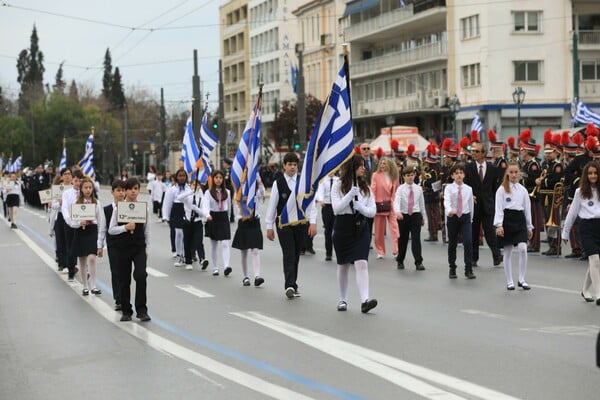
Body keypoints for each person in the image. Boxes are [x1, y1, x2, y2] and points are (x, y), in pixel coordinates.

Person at [265, 152, 317, 299]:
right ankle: (289, 284)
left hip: (300, 223)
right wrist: (269, 226)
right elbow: (272, 205)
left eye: (295, 165)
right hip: (284, 224)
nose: (292, 167)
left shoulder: (303, 182)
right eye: (289, 165)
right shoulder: (278, 183)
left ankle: (293, 284)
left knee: (295, 254)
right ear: (284, 166)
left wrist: (313, 222)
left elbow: (310, 205)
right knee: (288, 253)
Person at [331, 154, 378, 313]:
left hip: (360, 226)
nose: (364, 168)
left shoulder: (366, 187)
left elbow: (372, 211)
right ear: (352, 167)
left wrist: (361, 208)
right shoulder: (337, 185)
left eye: (364, 165)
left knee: (361, 263)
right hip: (343, 226)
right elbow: (336, 209)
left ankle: (365, 300)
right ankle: (342, 299)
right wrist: (350, 195)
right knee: (343, 264)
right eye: (360, 165)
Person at [108, 177, 151, 322]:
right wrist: (125, 227)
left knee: (141, 275)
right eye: (130, 189)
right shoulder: (118, 209)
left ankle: (142, 310)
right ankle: (126, 310)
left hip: (138, 247)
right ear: (125, 191)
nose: (133, 191)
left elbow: (147, 230)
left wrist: (147, 249)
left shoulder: (144, 208)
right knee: (124, 280)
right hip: (123, 247)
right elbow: (111, 230)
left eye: (136, 189)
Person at [562, 161, 600, 305]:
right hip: (586, 228)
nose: (593, 176)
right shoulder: (580, 192)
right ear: (586, 175)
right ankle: (599, 293)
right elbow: (572, 213)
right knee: (595, 260)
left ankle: (585, 290)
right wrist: (565, 233)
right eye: (590, 173)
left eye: (595, 173)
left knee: (594, 263)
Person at [494, 162, 533, 291]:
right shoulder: (501, 190)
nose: (514, 175)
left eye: (516, 172)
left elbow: (527, 209)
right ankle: (509, 281)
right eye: (511, 172)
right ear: (507, 174)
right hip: (507, 220)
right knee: (508, 251)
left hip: (520, 219)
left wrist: (529, 226)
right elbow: (499, 209)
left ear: (519, 173)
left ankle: (522, 279)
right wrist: (499, 225)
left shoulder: (523, 190)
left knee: (523, 248)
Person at [464, 141, 502, 267]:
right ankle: (474, 258)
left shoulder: (492, 168)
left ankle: (496, 255)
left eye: (476, 151)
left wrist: (494, 202)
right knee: (474, 232)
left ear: (484, 153)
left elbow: (495, 187)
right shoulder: (468, 167)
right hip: (474, 205)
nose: (473, 153)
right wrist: (470, 196)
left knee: (490, 231)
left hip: (488, 204)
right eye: (472, 151)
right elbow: (465, 185)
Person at [69, 178, 105, 296]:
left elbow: (100, 221)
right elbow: (71, 222)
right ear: (81, 189)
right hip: (80, 232)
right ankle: (84, 285)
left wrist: (100, 241)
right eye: (86, 187)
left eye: (90, 187)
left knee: (92, 258)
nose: (88, 190)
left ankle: (93, 285)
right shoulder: (76, 203)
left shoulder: (97, 203)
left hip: (92, 231)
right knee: (83, 260)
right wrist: (80, 222)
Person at [444, 164, 476, 279]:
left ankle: (469, 269)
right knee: (452, 243)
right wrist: (449, 210)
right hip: (453, 217)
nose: (459, 175)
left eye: (461, 173)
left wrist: (471, 218)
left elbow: (470, 205)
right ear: (452, 176)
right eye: (456, 173)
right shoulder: (449, 188)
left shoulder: (468, 189)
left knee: (468, 242)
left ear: (464, 175)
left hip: (465, 217)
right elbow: (446, 201)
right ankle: (452, 267)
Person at [99, 179, 126, 310]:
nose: (121, 193)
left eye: (123, 190)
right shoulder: (107, 210)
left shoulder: (130, 208)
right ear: (113, 192)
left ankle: (125, 297)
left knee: (125, 272)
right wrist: (100, 245)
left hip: (127, 244)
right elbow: (103, 229)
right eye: (118, 190)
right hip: (113, 244)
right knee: (115, 271)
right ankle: (118, 299)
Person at [393, 166, 425, 270]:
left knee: (416, 238)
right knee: (403, 239)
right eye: (408, 175)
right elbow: (396, 201)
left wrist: (423, 216)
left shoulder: (418, 189)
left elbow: (421, 204)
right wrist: (397, 212)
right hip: (403, 215)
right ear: (403, 177)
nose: (410, 177)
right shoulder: (401, 189)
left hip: (415, 214)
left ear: (415, 175)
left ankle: (418, 262)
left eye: (412, 175)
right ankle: (400, 260)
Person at [201, 170, 232, 277]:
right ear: (213, 179)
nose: (218, 179)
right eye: (216, 177)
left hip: (223, 218)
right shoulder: (208, 193)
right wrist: (207, 215)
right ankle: (215, 267)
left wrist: (228, 218)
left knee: (225, 243)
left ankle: (227, 266)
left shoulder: (227, 192)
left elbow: (229, 206)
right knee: (214, 244)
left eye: (220, 177)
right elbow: (205, 206)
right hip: (213, 218)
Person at [231, 188, 265, 287]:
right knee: (244, 251)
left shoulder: (256, 191)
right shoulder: (239, 192)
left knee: (255, 250)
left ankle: (257, 276)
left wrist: (260, 183)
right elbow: (237, 206)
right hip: (243, 221)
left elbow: (262, 195)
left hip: (255, 221)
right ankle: (246, 276)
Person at [370, 157, 399, 259]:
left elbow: (397, 191)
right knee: (379, 231)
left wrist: (396, 203)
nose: (382, 165)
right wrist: (373, 203)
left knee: (395, 228)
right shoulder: (375, 175)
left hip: (391, 205)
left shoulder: (394, 176)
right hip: (379, 205)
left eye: (384, 163)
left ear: (389, 165)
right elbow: (373, 190)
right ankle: (380, 251)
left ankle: (396, 250)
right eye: (381, 163)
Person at [177, 179, 209, 270]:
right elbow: (179, 198)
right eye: (193, 184)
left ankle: (202, 259)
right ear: (190, 185)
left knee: (198, 241)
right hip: (187, 222)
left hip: (197, 221)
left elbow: (203, 212)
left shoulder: (202, 198)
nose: (195, 186)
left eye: (197, 185)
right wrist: (190, 192)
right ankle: (188, 261)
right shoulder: (187, 196)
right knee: (187, 241)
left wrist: (196, 209)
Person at [162, 169, 189, 267]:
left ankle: (186, 254)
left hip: (186, 212)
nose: (182, 178)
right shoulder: (172, 190)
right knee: (178, 233)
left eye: (184, 176)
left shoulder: (189, 189)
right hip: (176, 212)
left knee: (186, 235)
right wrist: (166, 216)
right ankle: (179, 255)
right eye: (180, 176)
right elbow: (167, 203)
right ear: (177, 177)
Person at [61, 169, 84, 281]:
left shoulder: (85, 192)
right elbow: (64, 208)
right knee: (71, 247)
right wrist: (69, 221)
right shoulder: (66, 193)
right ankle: (71, 269)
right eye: (75, 180)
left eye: (80, 181)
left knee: (84, 247)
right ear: (72, 181)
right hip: (70, 223)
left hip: (83, 223)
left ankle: (85, 269)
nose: (78, 183)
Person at [315, 171, 337, 261]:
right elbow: (319, 192)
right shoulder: (323, 181)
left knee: (337, 230)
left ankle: (339, 251)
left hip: (336, 207)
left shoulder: (338, 180)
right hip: (327, 206)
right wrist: (321, 200)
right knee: (328, 230)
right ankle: (328, 253)